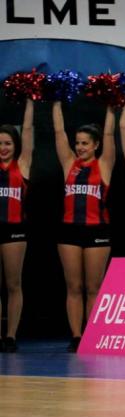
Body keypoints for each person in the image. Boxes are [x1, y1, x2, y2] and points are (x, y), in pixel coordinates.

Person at [52, 101, 116, 352]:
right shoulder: (70, 163)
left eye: (85, 143)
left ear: (96, 145)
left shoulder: (104, 165)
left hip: (97, 230)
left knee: (93, 287)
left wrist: (112, 104)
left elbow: (110, 133)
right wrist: (56, 101)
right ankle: (76, 336)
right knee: (74, 286)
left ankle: (92, 333)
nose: (79, 147)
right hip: (69, 230)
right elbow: (59, 133)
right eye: (77, 142)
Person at [0, 100, 34, 352]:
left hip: (14, 230)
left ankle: (10, 336)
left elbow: (29, 130)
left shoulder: (21, 165)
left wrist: (30, 101)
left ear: (16, 145)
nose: (3, 148)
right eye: (0, 143)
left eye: (8, 143)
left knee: (13, 284)